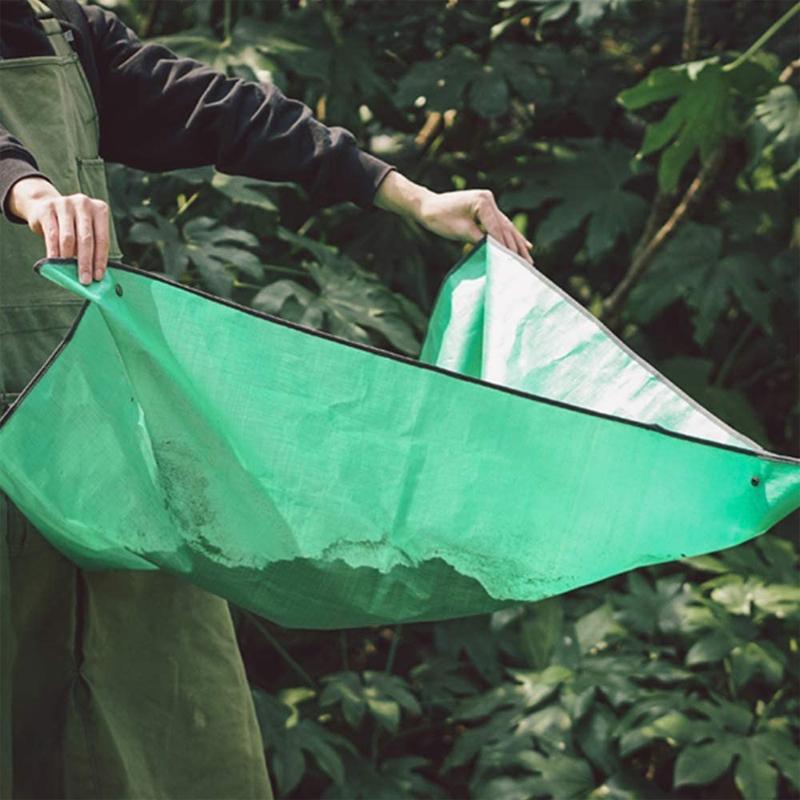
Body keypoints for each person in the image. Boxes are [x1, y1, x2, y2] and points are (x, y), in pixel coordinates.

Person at [0, 0, 533, 797]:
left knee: (169, 736)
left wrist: (405, 193)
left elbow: (222, 108)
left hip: (100, 464)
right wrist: (29, 189)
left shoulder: (63, 29)